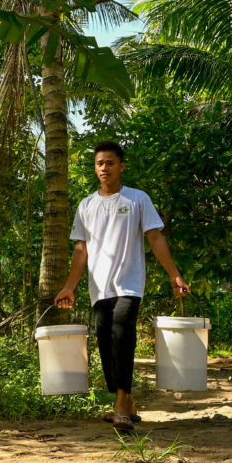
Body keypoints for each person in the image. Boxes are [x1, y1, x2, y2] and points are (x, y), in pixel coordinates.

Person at [55, 140, 189, 432]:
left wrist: (174, 275)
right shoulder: (87, 205)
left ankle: (120, 406)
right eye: (99, 163)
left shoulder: (137, 199)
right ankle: (126, 400)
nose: (104, 168)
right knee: (105, 340)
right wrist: (70, 287)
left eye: (110, 163)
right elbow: (81, 249)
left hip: (129, 284)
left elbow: (155, 238)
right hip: (98, 287)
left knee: (122, 333)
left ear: (121, 166)